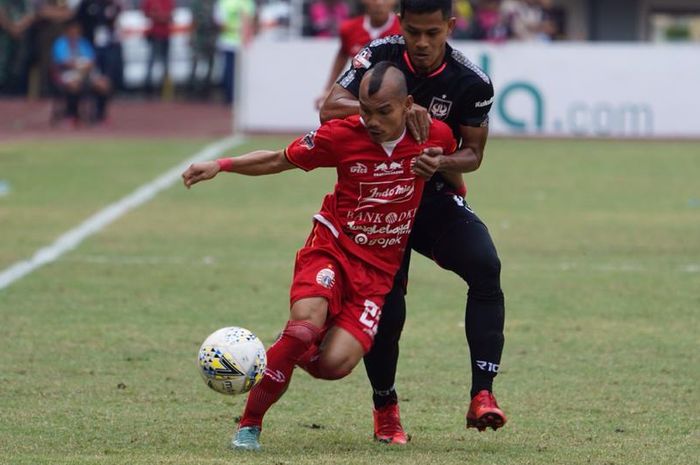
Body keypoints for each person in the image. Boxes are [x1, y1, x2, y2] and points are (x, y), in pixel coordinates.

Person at [182, 62, 462, 451]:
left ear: (408, 105)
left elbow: (455, 161)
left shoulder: (434, 133)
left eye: (384, 111)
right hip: (331, 247)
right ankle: (249, 425)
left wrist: (457, 198)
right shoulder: (343, 136)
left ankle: (287, 350)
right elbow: (280, 159)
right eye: (366, 110)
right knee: (303, 327)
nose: (373, 121)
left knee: (333, 366)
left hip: (378, 273)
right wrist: (221, 165)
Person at [320, 0, 507, 443]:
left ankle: (483, 394)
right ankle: (385, 408)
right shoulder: (377, 55)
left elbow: (474, 155)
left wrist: (442, 158)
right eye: (414, 32)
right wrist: (398, 114)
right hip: (379, 199)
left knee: (485, 266)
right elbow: (331, 108)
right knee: (389, 308)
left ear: (450, 26)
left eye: (433, 33)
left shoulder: (471, 81)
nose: (422, 43)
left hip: (433, 197)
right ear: (401, 24)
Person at [314, 0, 400, 109]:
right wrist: (328, 89)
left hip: (394, 95)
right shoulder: (349, 29)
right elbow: (343, 53)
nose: (379, 3)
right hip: (358, 96)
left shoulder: (404, 29)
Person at [51, 18, 111, 123]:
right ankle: (72, 114)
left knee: (103, 84)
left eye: (77, 30)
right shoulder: (60, 43)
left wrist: (86, 66)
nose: (75, 33)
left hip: (85, 72)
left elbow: (92, 60)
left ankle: (100, 116)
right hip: (67, 72)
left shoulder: (84, 43)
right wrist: (77, 65)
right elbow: (62, 62)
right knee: (74, 85)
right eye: (72, 30)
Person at [75, 0, 123, 92]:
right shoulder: (87, 4)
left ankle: (109, 88)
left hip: (107, 43)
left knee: (108, 66)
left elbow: (114, 21)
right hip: (90, 42)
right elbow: (80, 21)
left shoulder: (111, 5)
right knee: (92, 65)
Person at [215, 0, 255, 104]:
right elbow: (252, 21)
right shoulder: (247, 2)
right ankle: (241, 97)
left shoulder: (224, 2)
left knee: (229, 71)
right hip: (243, 43)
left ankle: (230, 97)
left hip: (228, 41)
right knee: (242, 71)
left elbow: (220, 23)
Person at [188, 0, 219, 98]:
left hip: (210, 36)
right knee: (195, 62)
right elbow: (193, 21)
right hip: (199, 36)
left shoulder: (214, 3)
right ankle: (192, 88)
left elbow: (217, 20)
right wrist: (191, 37)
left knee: (210, 63)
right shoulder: (196, 4)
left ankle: (206, 89)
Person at [142, 0, 173, 95]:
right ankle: (148, 88)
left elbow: (170, 16)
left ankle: (165, 90)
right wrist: (158, 16)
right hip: (154, 34)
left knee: (166, 62)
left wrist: (159, 16)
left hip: (165, 34)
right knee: (151, 61)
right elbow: (146, 13)